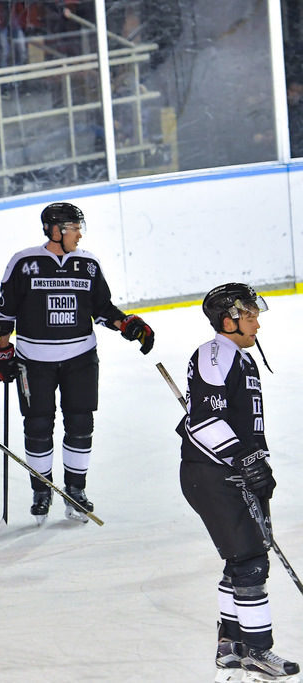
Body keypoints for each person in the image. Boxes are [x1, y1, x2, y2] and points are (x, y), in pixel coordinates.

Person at [0, 202, 154, 523]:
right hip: (33, 361)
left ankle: (75, 490)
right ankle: (42, 490)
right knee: (38, 426)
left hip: (80, 358)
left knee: (80, 425)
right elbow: (5, 310)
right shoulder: (24, 262)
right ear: (55, 231)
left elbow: (103, 310)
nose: (80, 234)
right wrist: (2, 349)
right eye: (74, 228)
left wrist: (128, 325)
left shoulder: (88, 264)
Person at [179, 283, 299, 682]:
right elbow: (205, 422)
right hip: (214, 473)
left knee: (241, 560)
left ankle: (231, 648)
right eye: (250, 315)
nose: (257, 323)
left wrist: (256, 462)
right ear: (228, 320)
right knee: (251, 563)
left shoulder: (234, 356)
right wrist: (244, 459)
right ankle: (257, 652)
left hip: (228, 471)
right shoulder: (216, 353)